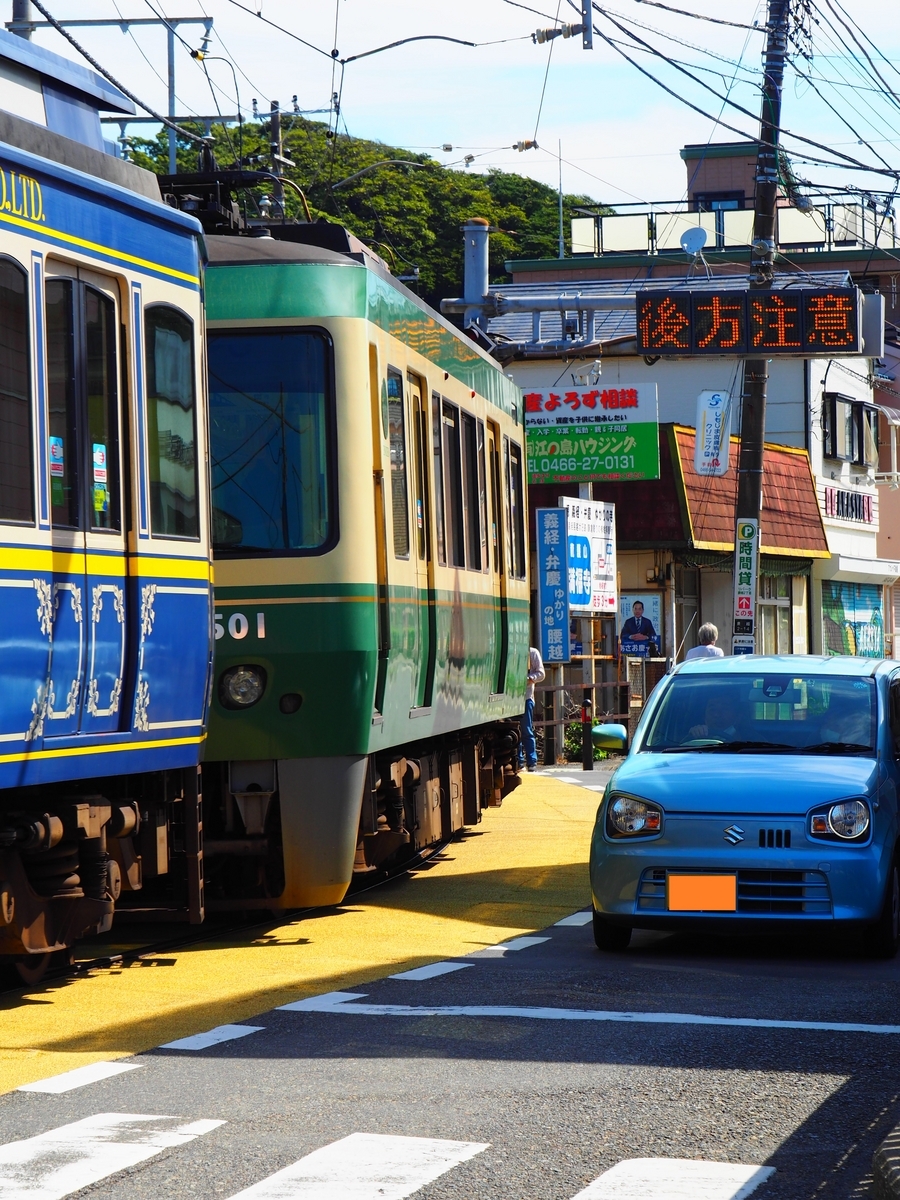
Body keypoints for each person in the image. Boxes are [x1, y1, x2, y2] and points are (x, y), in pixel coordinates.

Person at [520, 646, 545, 771]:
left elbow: (541, 674)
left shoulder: (532, 652)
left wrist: (529, 679)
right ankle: (518, 761)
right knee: (514, 730)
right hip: (509, 697)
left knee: (526, 729)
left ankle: (531, 761)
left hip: (526, 697)